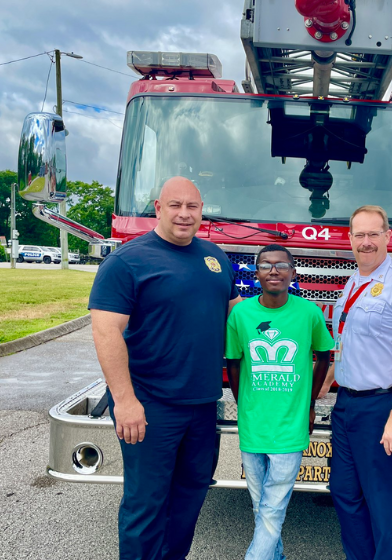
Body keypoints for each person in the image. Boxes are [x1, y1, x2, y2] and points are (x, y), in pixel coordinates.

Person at [88, 177, 241, 560]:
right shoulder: (127, 261)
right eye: (175, 205)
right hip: (149, 404)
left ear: (202, 211)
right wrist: (125, 401)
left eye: (192, 206)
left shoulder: (216, 258)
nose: (184, 214)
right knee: (146, 502)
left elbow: (236, 316)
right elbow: (106, 331)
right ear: (158, 208)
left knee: (191, 494)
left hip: (203, 404)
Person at [321, 205, 392, 560]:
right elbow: (346, 340)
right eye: (359, 235)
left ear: (387, 236)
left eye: (373, 234)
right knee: (344, 492)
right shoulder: (354, 282)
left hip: (383, 406)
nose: (366, 242)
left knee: (384, 503)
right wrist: (327, 383)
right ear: (350, 238)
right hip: (347, 405)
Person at [225, 244, 334, 560]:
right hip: (253, 425)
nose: (274, 270)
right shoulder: (241, 314)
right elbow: (233, 362)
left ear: (293, 273)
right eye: (266, 265)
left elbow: (324, 355)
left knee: (272, 508)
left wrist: (310, 404)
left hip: (290, 424)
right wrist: (242, 403)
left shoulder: (309, 313)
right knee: (261, 506)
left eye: (282, 265)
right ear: (256, 273)